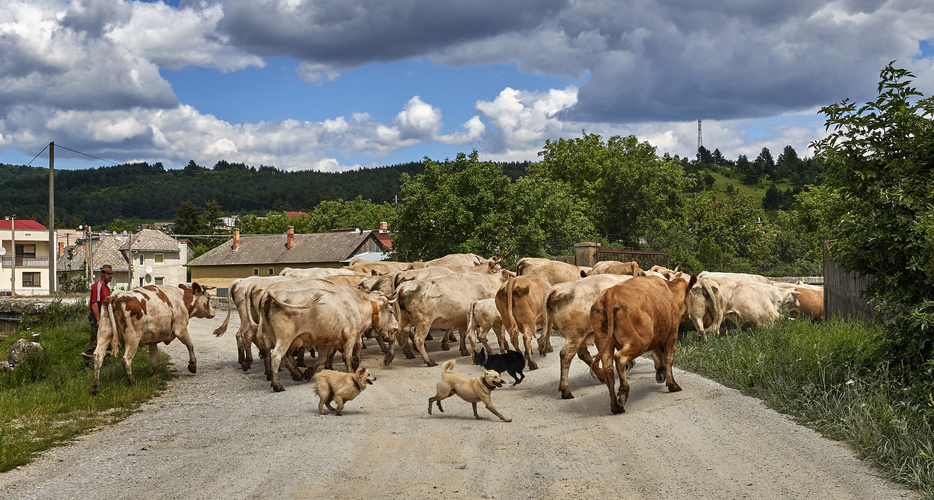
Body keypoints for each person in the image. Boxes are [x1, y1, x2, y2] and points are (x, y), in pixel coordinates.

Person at [82, 264, 113, 369]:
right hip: (96, 315)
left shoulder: (107, 288)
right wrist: (98, 319)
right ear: (102, 274)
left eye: (111, 274)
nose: (110, 276)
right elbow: (95, 303)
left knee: (108, 338)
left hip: (104, 316)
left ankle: (104, 362)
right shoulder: (98, 285)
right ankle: (86, 364)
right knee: (95, 339)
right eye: (108, 274)